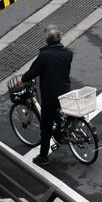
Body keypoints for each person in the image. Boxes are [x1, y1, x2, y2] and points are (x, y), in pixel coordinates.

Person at [22, 26, 74, 166]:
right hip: (65, 91)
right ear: (60, 38)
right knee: (60, 114)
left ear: (46, 41)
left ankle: (43, 156)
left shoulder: (44, 56)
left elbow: (33, 72)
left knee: (46, 126)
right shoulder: (68, 53)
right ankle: (60, 133)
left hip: (50, 96)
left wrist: (23, 79)